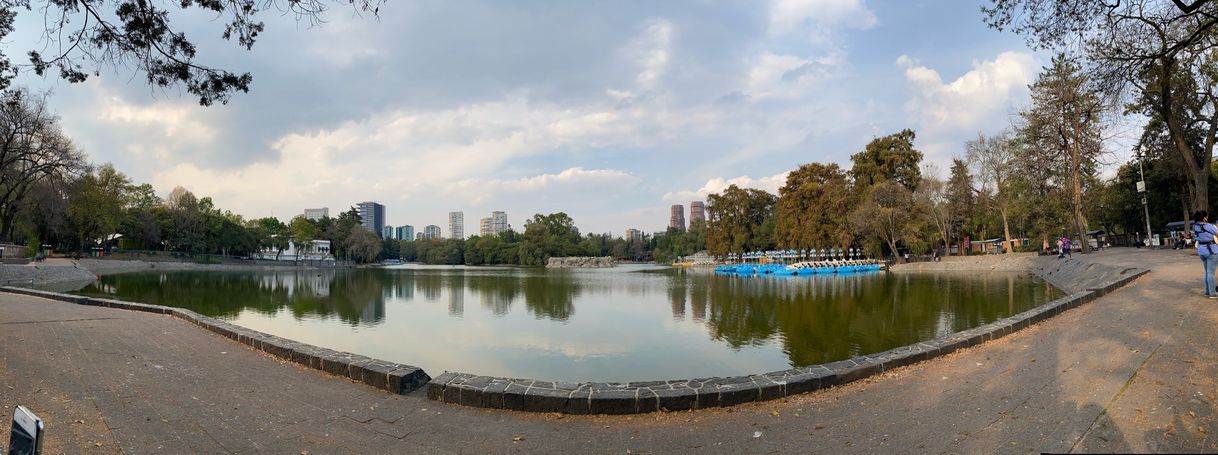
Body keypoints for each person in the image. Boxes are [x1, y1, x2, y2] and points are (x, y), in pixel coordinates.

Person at [1192, 210, 1218, 298]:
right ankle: (1212, 293)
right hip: (1211, 251)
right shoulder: (1208, 226)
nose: (1207, 218)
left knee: (1207, 272)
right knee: (1211, 273)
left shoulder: (1195, 226)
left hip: (1201, 251)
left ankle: (1207, 291)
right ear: (1204, 218)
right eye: (1206, 216)